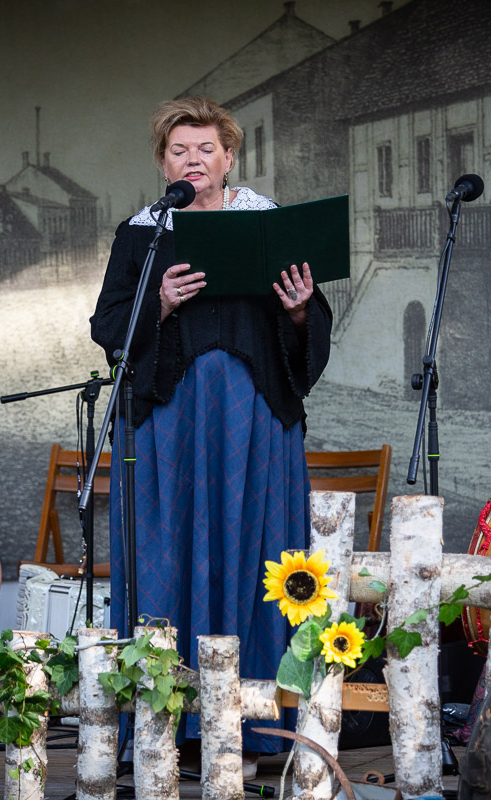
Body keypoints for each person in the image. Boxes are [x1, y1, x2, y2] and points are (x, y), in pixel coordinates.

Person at [90, 97, 333, 772]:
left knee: (255, 559)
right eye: (179, 151)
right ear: (162, 162)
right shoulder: (141, 235)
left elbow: (310, 331)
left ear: (229, 157)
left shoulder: (269, 225)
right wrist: (159, 303)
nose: (193, 160)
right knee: (166, 557)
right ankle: (165, 730)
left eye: (206, 149)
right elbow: (107, 325)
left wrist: (301, 311)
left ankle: (254, 734)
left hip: (254, 423)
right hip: (169, 425)